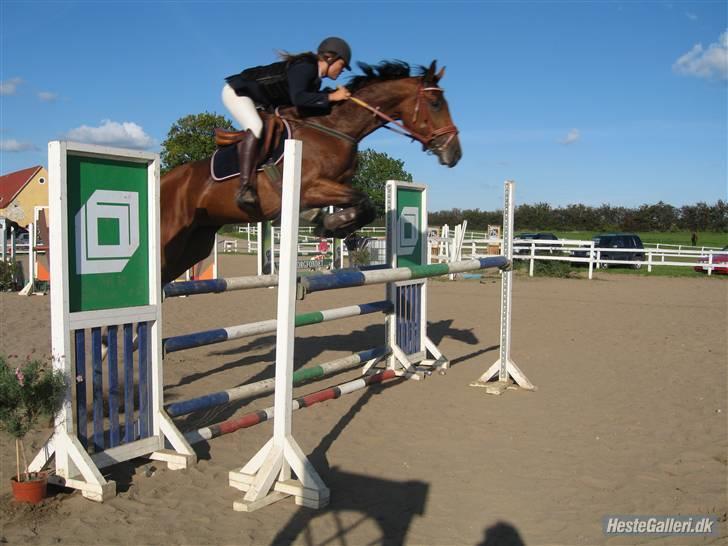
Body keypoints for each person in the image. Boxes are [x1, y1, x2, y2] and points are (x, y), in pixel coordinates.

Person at [222, 37, 353, 209]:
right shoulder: (306, 67)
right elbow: (298, 98)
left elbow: (304, 103)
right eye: (342, 65)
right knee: (256, 126)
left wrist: (330, 98)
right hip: (238, 93)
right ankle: (245, 187)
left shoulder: (315, 79)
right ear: (330, 58)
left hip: (262, 103)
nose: (342, 70)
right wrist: (331, 97)